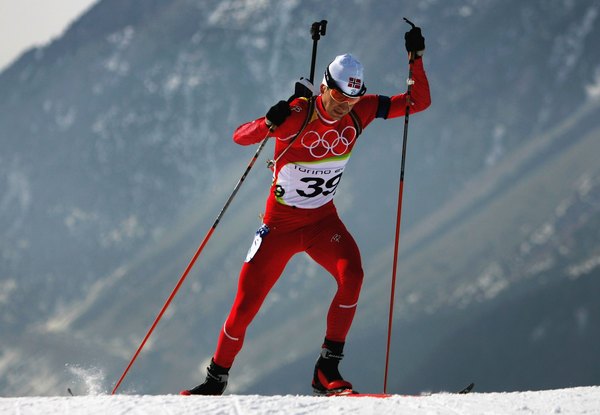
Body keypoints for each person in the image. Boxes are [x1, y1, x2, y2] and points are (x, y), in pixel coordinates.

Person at [181, 23, 430, 396]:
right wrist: (268, 121)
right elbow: (240, 136)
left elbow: (416, 103)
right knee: (245, 307)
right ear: (325, 88)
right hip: (279, 226)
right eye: (338, 99)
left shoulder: (358, 111)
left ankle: (326, 370)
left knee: (354, 276)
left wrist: (416, 61)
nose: (343, 107)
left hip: (322, 222)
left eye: (350, 100)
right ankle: (215, 380)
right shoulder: (297, 114)